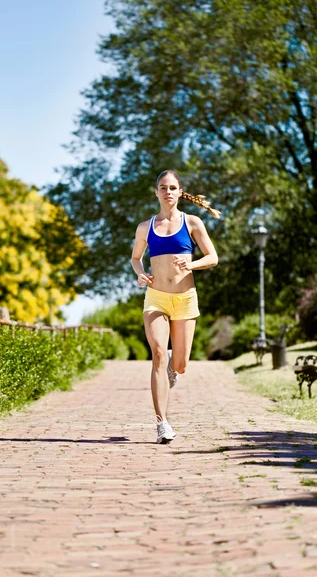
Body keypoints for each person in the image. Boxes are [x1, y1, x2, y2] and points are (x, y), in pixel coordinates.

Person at [131, 170, 220, 444]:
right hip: (156, 297)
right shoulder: (146, 227)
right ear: (156, 192)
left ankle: (173, 367)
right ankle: (162, 423)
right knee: (158, 354)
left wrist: (191, 264)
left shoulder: (192, 222)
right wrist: (140, 273)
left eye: (172, 187)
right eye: (163, 187)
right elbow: (136, 258)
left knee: (179, 364)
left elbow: (213, 257)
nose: (168, 192)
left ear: (180, 192)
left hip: (185, 299)